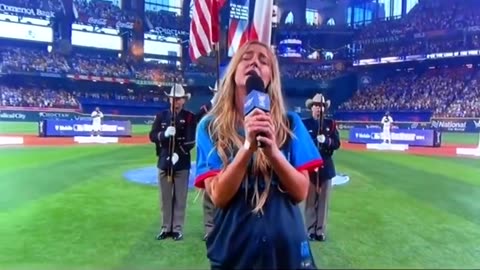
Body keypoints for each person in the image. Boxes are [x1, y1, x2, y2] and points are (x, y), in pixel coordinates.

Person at [194, 40, 322, 269]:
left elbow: (301, 191)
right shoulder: (209, 127)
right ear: (233, 71)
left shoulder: (290, 123)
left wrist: (273, 152)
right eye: (246, 57)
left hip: (287, 252)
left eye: (264, 61)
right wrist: (247, 148)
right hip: (235, 252)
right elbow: (219, 196)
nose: (254, 62)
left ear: (271, 76)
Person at [149, 83, 196, 241]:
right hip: (164, 162)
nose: (175, 102)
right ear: (170, 100)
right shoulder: (161, 116)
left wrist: (178, 154)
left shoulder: (189, 117)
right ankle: (165, 228)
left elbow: (190, 141)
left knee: (180, 197)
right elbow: (152, 135)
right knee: (165, 197)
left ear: (183, 100)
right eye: (173, 99)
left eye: (178, 99)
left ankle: (177, 228)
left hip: (181, 163)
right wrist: (164, 134)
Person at [302, 93, 341, 242]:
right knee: (310, 201)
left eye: (321, 106)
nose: (319, 109)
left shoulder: (330, 124)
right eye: (316, 106)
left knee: (323, 201)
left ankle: (320, 230)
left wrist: (327, 141)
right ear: (311, 108)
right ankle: (310, 229)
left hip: (326, 167)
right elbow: (300, 142)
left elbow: (337, 143)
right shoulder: (305, 124)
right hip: (310, 166)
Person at [196, 81, 220, 241]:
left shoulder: (231, 108)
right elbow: (196, 122)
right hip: (209, 156)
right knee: (208, 197)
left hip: (226, 157)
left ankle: (223, 229)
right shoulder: (206, 109)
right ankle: (210, 230)